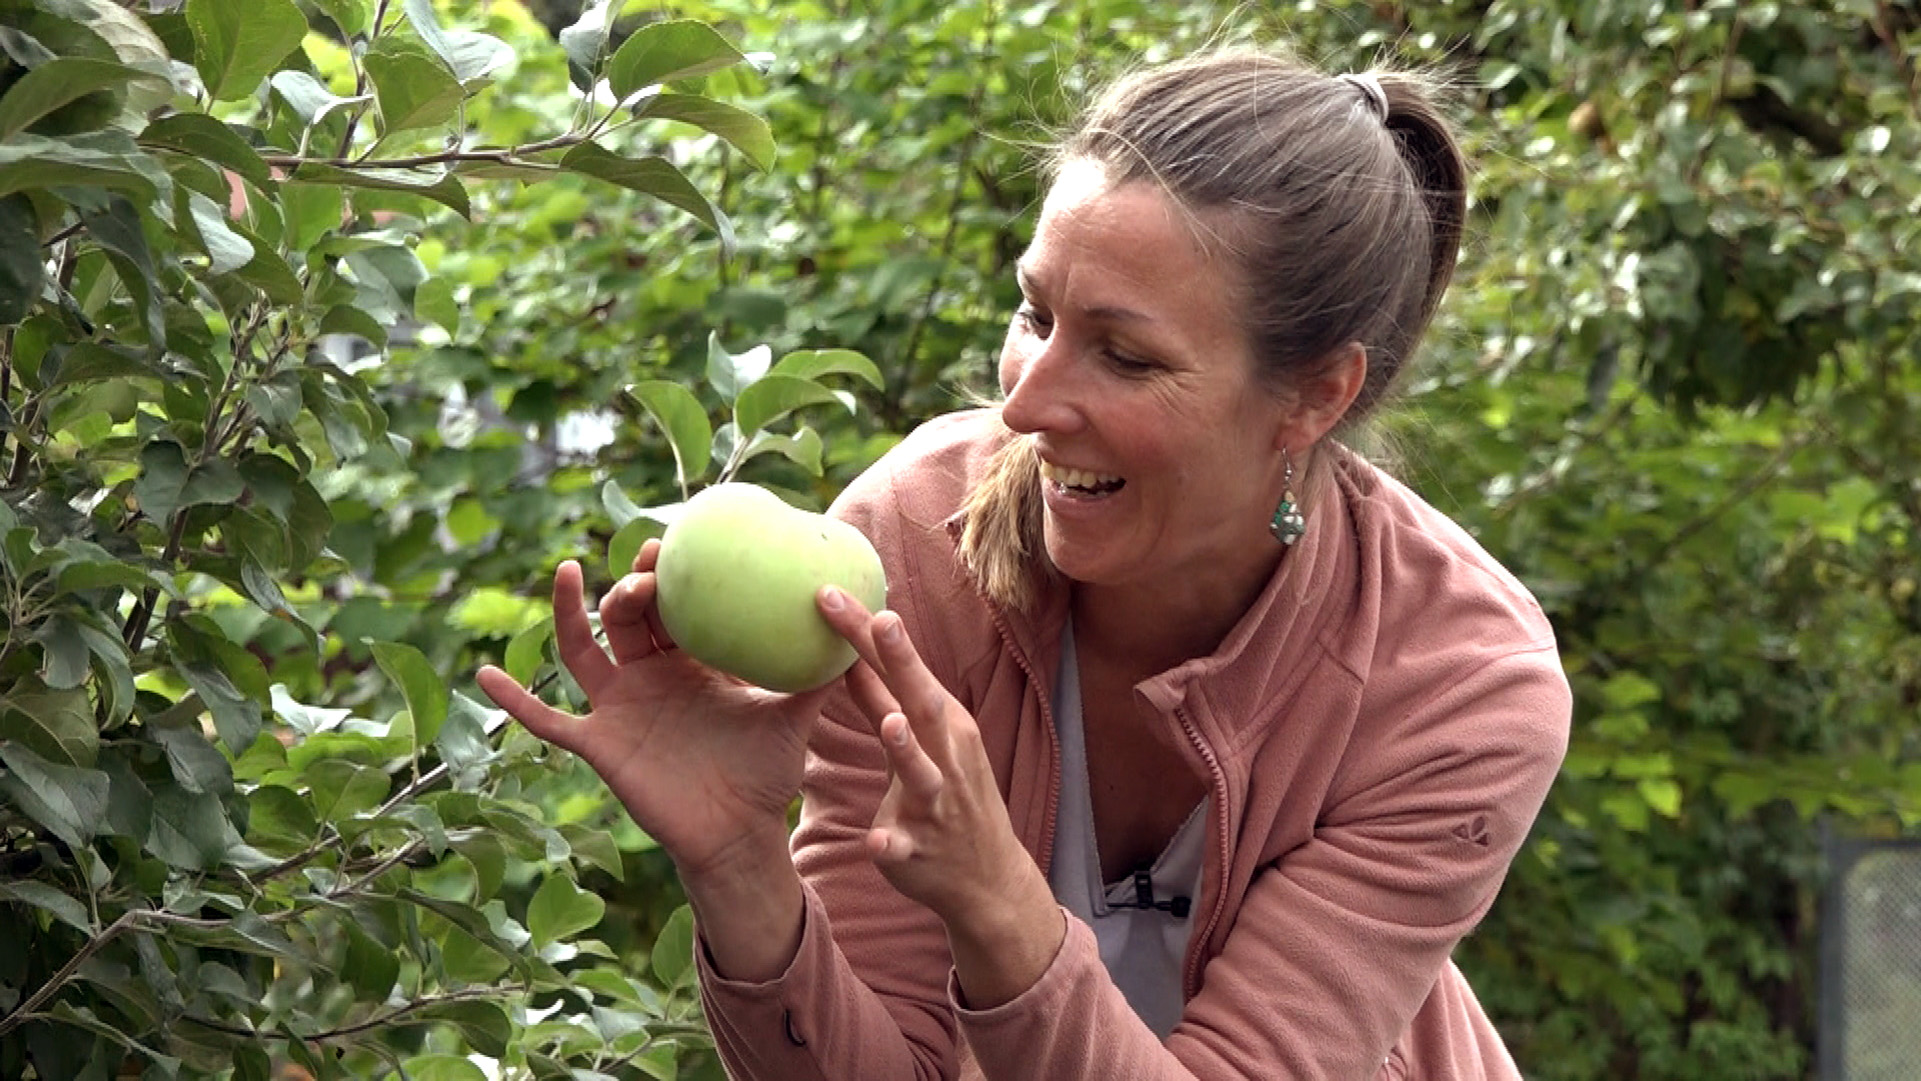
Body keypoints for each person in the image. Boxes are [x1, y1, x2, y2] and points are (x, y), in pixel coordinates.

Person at [478, 45, 1572, 1081]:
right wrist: (735, 865)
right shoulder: (910, 545)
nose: (1021, 403)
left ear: (1315, 394)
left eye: (1126, 355)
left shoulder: (1460, 683)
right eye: (1032, 311)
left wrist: (1003, 910)